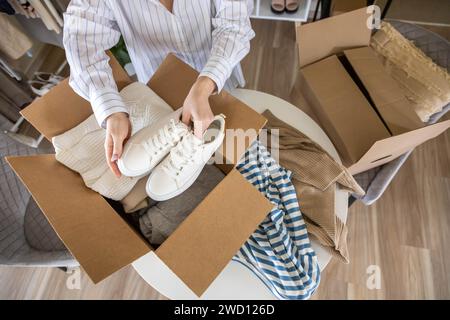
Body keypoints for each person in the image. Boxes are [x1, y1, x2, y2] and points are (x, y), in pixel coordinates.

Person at [63, 0, 255, 177]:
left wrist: (204, 85)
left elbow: (234, 25)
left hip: (219, 77)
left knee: (239, 148)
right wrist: (111, 110)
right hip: (159, 91)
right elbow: (80, 39)